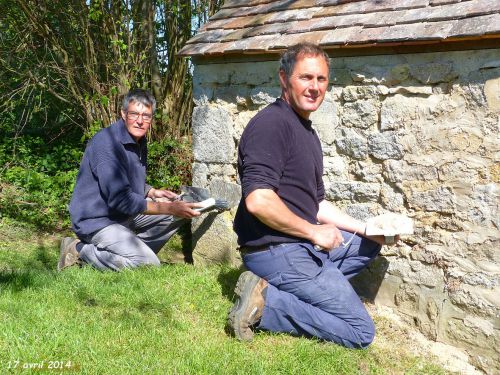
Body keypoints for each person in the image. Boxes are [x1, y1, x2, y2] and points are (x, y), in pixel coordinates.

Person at [229, 43, 395, 348]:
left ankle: (309, 291)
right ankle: (268, 303)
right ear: (284, 78)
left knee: (367, 243)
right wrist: (312, 232)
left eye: (321, 79)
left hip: (298, 244)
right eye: (306, 78)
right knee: (360, 332)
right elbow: (258, 200)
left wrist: (366, 228)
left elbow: (315, 204)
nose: (315, 87)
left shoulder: (306, 131)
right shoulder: (272, 124)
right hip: (276, 250)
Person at [58, 88, 201, 271]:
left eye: (146, 116)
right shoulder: (106, 144)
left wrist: (151, 191)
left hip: (122, 215)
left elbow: (127, 179)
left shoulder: (138, 140)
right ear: (123, 114)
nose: (140, 121)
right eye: (134, 114)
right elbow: (120, 198)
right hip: (97, 221)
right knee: (148, 264)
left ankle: (130, 251)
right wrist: (168, 207)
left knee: (180, 209)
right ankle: (79, 250)